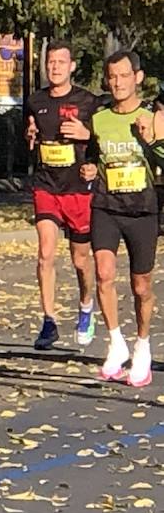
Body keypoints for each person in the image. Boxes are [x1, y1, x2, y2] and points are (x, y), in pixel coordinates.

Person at [81, 50, 163, 385]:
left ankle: (142, 344)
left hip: (142, 209)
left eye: (124, 76)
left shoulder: (151, 116)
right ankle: (116, 343)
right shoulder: (99, 119)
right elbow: (91, 158)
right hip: (106, 206)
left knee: (141, 286)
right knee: (103, 272)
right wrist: (88, 169)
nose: (117, 82)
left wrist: (151, 140)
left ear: (137, 78)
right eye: (112, 76)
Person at [24, 40, 100, 349]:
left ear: (71, 67)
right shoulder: (35, 101)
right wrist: (29, 137)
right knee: (45, 253)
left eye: (60, 62)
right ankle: (49, 321)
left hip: (78, 189)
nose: (54, 67)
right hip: (46, 185)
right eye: (50, 62)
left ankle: (85, 306)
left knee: (80, 260)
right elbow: (29, 138)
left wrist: (87, 138)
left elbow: (101, 142)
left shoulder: (88, 101)